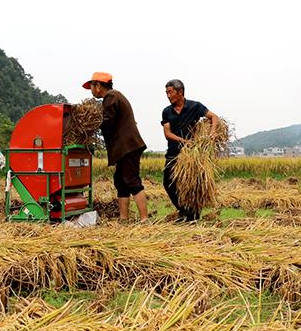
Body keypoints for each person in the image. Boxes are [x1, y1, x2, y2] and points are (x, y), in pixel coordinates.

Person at [83, 71, 148, 222]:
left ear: (98, 86)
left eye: (92, 87)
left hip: (128, 146)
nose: (91, 91)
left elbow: (107, 121)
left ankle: (144, 219)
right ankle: (123, 218)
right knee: (120, 180)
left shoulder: (111, 96)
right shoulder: (114, 96)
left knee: (131, 179)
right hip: (124, 147)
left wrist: (88, 126)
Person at [161, 79, 219, 222]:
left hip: (194, 156)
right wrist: (184, 141)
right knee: (168, 183)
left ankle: (193, 215)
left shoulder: (195, 106)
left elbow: (214, 117)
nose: (168, 95)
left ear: (180, 92)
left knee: (194, 185)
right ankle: (183, 210)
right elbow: (167, 133)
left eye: (170, 92)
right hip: (174, 153)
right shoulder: (167, 111)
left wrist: (211, 134)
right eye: (166, 92)